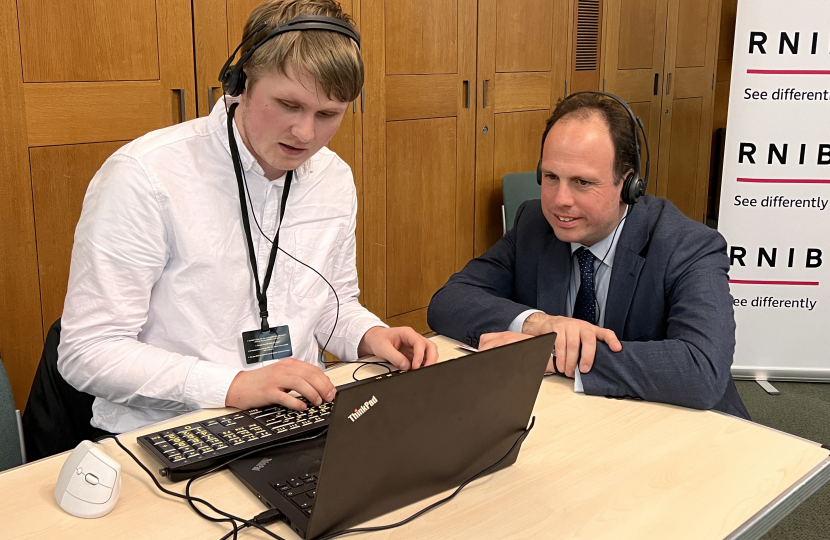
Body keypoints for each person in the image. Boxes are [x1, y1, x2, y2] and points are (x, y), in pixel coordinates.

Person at [58, 0, 437, 435]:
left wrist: (370, 336)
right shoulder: (146, 175)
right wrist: (230, 385)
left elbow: (331, 305)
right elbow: (88, 351)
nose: (306, 134)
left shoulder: (332, 177)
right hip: (171, 429)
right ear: (240, 83)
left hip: (298, 419)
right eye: (288, 105)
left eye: (328, 114)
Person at [427, 92, 749, 419]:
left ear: (629, 185)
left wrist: (556, 355)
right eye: (551, 177)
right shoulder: (534, 224)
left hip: (688, 434)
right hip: (575, 423)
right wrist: (538, 325)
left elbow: (701, 370)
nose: (559, 200)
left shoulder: (688, 245)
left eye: (582, 182)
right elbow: (448, 301)